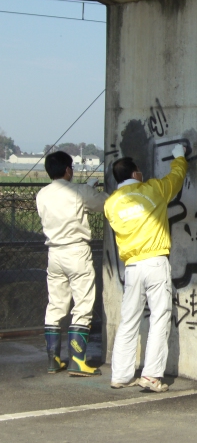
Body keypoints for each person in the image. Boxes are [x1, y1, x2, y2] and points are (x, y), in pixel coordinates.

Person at [105, 145, 187, 392]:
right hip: (156, 262)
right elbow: (176, 179)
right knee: (160, 318)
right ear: (136, 174)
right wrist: (180, 157)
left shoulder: (111, 204)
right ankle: (151, 375)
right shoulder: (153, 190)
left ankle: (120, 374)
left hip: (131, 266)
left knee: (129, 320)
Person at [37, 151, 108, 376]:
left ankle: (54, 360)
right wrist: (90, 188)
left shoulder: (42, 194)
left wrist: (84, 188)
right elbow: (102, 204)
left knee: (55, 305)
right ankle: (78, 360)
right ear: (68, 170)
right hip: (76, 252)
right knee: (83, 305)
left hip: (54, 254)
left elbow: (66, 202)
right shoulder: (79, 191)